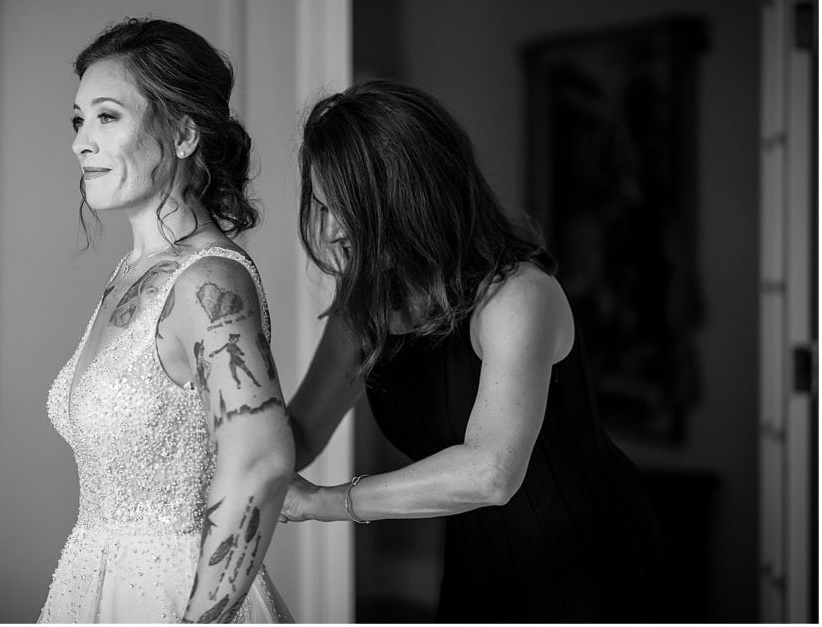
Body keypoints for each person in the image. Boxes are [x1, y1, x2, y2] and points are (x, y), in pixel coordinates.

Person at [281, 80, 679, 622]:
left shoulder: (518, 296)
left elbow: (490, 472)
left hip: (588, 562)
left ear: (409, 199)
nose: (330, 232)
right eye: (322, 207)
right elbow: (299, 434)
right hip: (479, 559)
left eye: (348, 209)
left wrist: (322, 504)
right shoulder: (365, 308)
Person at [39, 18, 293, 624]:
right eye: (79, 120)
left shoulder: (208, 280)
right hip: (94, 584)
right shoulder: (132, 270)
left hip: (175, 597)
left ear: (182, 133)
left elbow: (262, 460)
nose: (80, 142)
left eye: (106, 116)